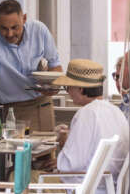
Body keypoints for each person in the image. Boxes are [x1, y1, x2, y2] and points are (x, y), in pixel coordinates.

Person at [0, 0, 62, 132]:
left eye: (14, 27)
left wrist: (53, 87)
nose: (9, 34)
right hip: (12, 109)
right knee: (15, 151)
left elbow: (55, 65)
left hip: (42, 103)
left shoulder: (39, 30)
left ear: (24, 18)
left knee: (45, 150)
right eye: (4, 28)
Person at [48, 59, 129, 194]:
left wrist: (63, 146)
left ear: (80, 88)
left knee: (23, 177)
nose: (68, 92)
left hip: (86, 187)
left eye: (68, 87)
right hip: (109, 186)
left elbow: (70, 166)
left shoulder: (86, 113)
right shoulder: (115, 111)